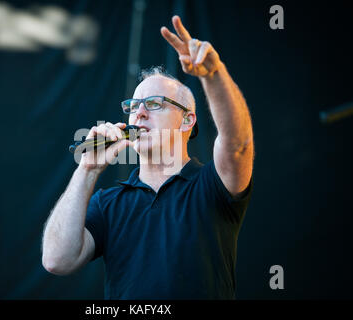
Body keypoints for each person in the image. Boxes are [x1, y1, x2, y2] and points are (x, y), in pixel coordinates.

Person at [42, 15, 254, 299]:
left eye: (155, 104)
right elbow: (57, 260)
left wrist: (213, 75)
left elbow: (238, 145)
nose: (139, 113)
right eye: (133, 106)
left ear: (187, 121)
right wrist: (88, 170)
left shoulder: (209, 186)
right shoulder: (109, 204)